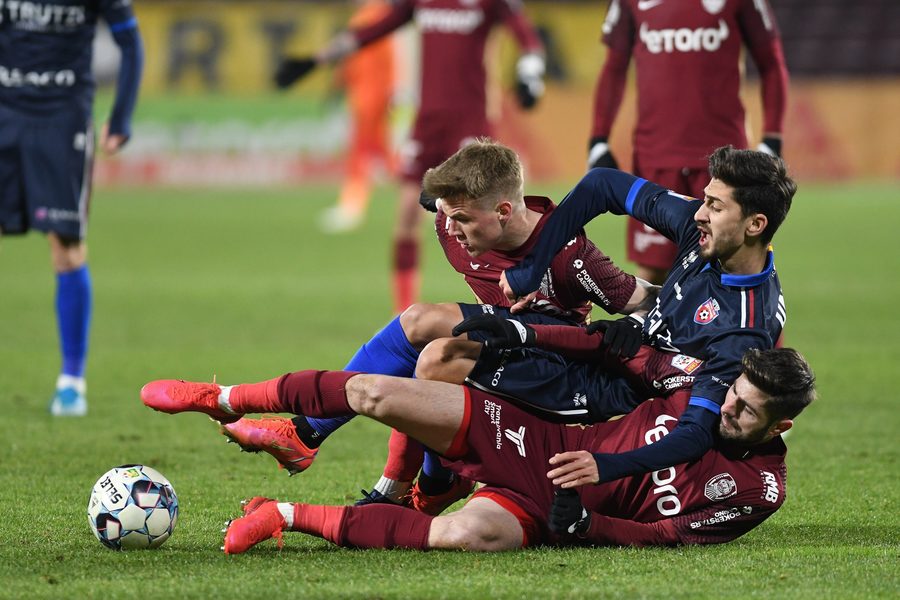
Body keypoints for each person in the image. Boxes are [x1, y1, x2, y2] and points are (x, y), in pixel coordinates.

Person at [216, 139, 657, 508]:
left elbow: (646, 298)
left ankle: (311, 432)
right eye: (448, 214)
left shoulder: (570, 255)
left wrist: (636, 321)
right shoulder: (450, 221)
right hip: (497, 343)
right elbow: (453, 191)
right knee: (433, 359)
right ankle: (424, 487)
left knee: (420, 321)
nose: (453, 228)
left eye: (463, 218)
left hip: (553, 356)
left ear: (504, 210)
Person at [138, 346, 816, 553]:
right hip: (540, 440)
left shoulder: (757, 492)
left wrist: (586, 527)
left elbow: (670, 534)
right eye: (735, 394)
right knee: (380, 392)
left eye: (747, 410)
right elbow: (624, 349)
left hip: (554, 513)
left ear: (778, 428)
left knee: (462, 535)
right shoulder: (703, 385)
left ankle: (281, 514)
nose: (728, 407)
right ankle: (224, 398)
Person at [486, 146, 796, 487]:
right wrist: (533, 267)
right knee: (440, 333)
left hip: (614, 400)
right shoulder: (707, 236)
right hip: (606, 351)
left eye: (716, 206)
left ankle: (434, 488)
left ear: (755, 224)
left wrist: (605, 467)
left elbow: (695, 432)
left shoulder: (744, 330)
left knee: (446, 352)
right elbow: (602, 185)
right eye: (706, 200)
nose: (699, 214)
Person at [311, 0, 547, 313]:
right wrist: (318, 58)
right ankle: (403, 311)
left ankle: (506, 304)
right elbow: (376, 28)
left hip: (470, 119)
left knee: (481, 218)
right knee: (408, 212)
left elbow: (527, 38)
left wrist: (530, 73)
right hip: (427, 122)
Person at [0, 0, 144, 416]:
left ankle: (71, 382)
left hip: (62, 118)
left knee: (66, 247)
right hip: (4, 110)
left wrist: (121, 119)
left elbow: (130, 42)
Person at [588, 0, 789, 284]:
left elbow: (771, 63)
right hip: (655, 158)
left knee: (742, 269)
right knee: (654, 275)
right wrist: (598, 140)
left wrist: (772, 139)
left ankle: (753, 330)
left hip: (724, 165)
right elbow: (614, 67)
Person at [318, 0, 397, 234]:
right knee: (384, 155)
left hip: (370, 96)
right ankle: (426, 199)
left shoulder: (373, 15)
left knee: (361, 151)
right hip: (369, 95)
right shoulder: (371, 14)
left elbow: (363, 58)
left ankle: (352, 206)